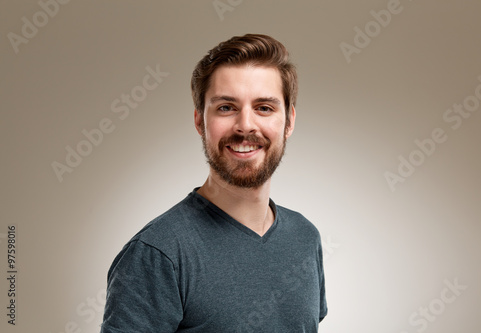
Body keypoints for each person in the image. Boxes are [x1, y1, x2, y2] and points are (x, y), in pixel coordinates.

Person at [100, 33, 327, 333]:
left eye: (264, 108)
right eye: (226, 107)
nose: (245, 125)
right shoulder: (158, 253)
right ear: (199, 121)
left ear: (289, 121)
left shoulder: (305, 238)